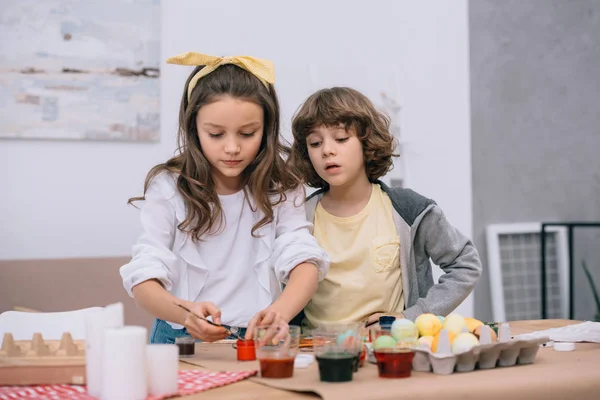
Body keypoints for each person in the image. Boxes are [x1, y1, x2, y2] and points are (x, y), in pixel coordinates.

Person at [120, 53, 329, 344]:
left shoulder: (281, 186)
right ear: (193, 129)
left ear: (267, 129)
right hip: (181, 337)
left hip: (263, 339)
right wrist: (184, 313)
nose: (232, 147)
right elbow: (143, 280)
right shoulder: (169, 187)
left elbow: (304, 262)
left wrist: (280, 312)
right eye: (216, 134)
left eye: (247, 133)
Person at [288, 87, 481, 329]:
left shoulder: (409, 210)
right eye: (315, 143)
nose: (327, 150)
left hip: (388, 350)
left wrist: (415, 316)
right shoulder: (298, 217)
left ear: (366, 142)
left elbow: (465, 263)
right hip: (316, 353)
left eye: (341, 138)